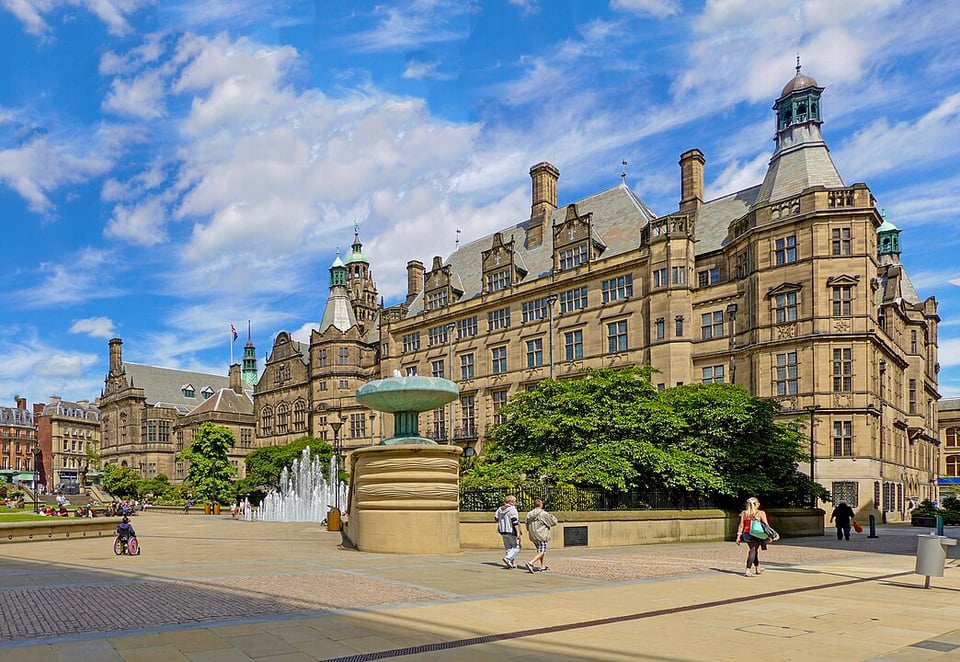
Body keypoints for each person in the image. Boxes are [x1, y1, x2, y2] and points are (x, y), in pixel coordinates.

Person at [736, 497, 769, 577]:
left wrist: (738, 536)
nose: (759, 504)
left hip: (746, 533)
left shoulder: (744, 513)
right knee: (753, 550)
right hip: (756, 534)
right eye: (758, 503)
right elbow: (766, 525)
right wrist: (769, 535)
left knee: (754, 550)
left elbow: (741, 525)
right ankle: (748, 569)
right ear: (756, 504)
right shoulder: (760, 513)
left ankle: (757, 567)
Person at [524, 499, 558, 573]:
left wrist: (529, 530)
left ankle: (542, 566)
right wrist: (553, 517)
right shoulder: (543, 513)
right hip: (542, 534)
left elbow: (526, 524)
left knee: (540, 551)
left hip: (533, 535)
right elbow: (553, 523)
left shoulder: (529, 514)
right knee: (542, 551)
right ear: (541, 504)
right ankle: (530, 563)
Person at [494, 495, 522, 568]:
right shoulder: (512, 509)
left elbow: (496, 518)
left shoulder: (499, 509)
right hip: (511, 530)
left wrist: (502, 522)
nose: (515, 503)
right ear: (511, 502)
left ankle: (511, 563)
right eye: (515, 501)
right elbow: (514, 521)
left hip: (503, 531)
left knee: (508, 548)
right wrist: (518, 532)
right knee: (517, 546)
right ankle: (508, 558)